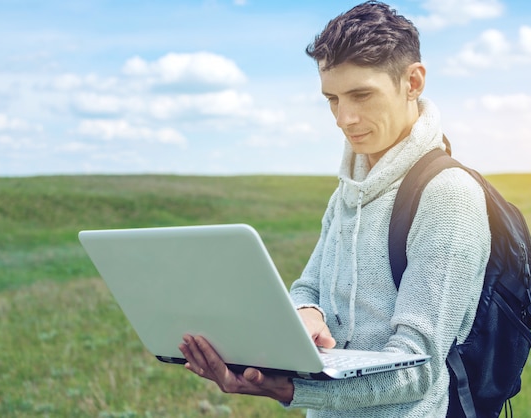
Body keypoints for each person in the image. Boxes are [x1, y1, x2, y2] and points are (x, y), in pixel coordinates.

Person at [179, 1, 491, 416]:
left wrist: (291, 391)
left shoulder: (448, 195)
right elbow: (309, 288)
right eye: (332, 99)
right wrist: (307, 315)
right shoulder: (350, 186)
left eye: (361, 94)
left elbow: (417, 369)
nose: (344, 118)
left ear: (413, 81)